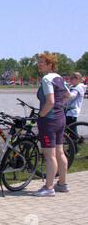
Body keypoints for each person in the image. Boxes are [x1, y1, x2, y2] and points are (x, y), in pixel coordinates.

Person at [34, 53, 71, 197]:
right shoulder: (59, 78)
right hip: (60, 118)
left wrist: (41, 114)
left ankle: (49, 187)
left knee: (50, 155)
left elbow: (50, 101)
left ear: (50, 65)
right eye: (39, 62)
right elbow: (68, 95)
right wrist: (60, 106)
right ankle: (62, 183)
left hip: (49, 121)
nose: (39, 64)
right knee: (60, 152)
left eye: (42, 62)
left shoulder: (46, 79)